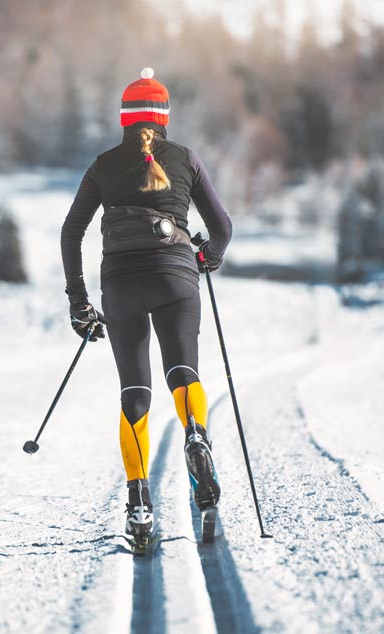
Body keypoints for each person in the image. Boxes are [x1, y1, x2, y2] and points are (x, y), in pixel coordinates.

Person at [60, 67, 232, 539]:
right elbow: (223, 228)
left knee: (135, 391)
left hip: (121, 284)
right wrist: (206, 258)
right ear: (164, 119)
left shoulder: (102, 165)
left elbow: (71, 231)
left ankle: (138, 501)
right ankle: (196, 433)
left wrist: (79, 301)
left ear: (125, 120)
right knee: (184, 372)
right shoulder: (186, 159)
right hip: (176, 276)